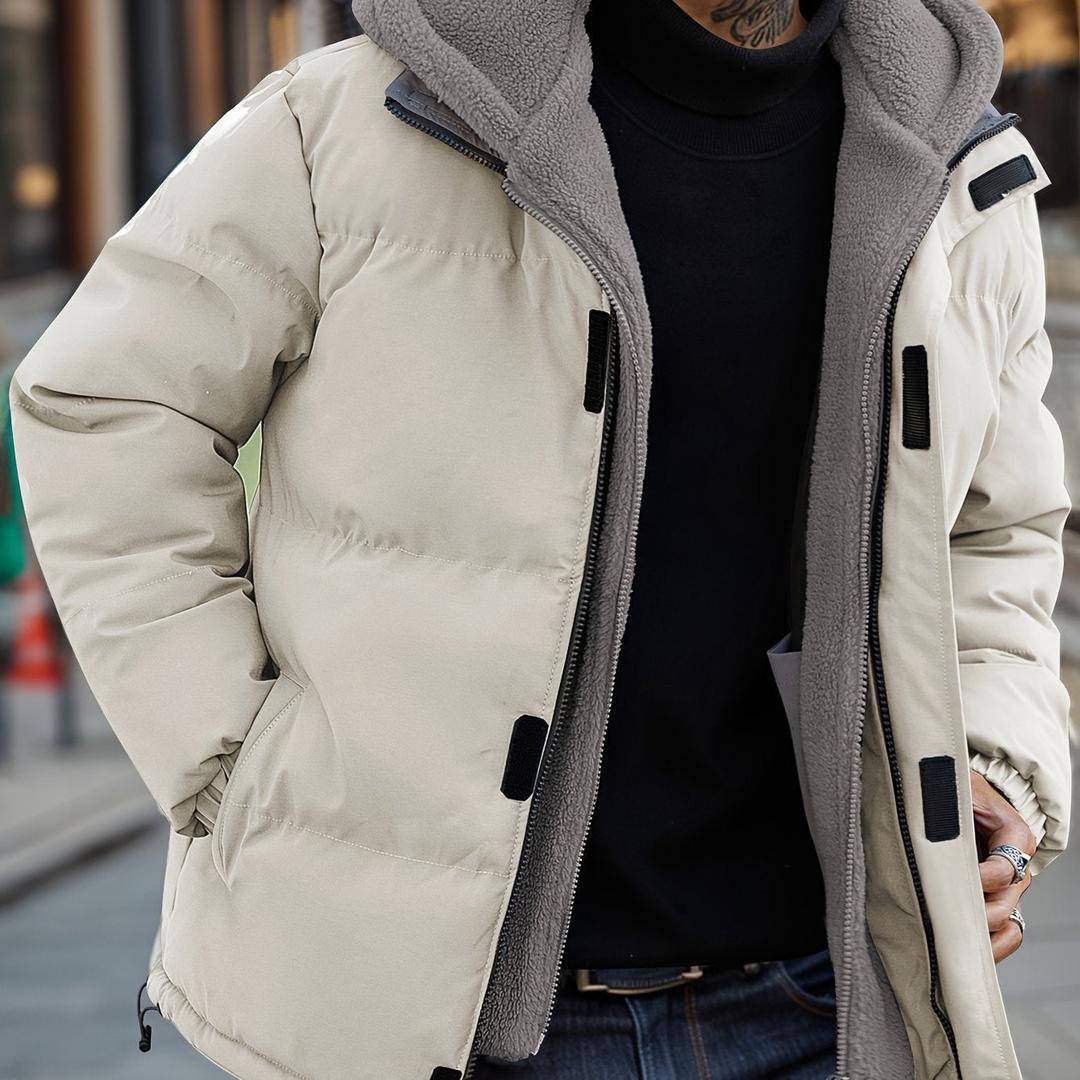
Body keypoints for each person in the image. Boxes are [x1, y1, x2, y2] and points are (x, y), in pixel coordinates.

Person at [8, 0, 1070, 1077]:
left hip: (831, 1003)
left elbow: (996, 526)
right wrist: (232, 759)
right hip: (459, 1023)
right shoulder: (348, 118)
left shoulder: (952, 163)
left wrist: (993, 763)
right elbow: (109, 406)